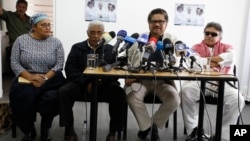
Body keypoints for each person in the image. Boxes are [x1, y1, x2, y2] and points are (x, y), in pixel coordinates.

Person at [58, 21, 126, 141]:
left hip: (104, 85)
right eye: (92, 32)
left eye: (99, 33)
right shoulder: (77, 47)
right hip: (81, 84)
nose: (96, 36)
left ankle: (113, 131)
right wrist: (86, 82)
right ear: (87, 33)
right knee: (64, 91)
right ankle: (69, 129)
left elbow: (115, 72)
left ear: (104, 34)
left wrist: (100, 81)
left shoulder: (111, 49)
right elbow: (70, 69)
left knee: (118, 93)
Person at [181, 22, 245, 141]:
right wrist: (219, 60)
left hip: (223, 82)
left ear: (220, 37)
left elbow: (230, 59)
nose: (209, 36)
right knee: (185, 92)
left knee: (238, 99)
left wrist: (204, 61)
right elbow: (195, 64)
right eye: (207, 33)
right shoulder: (195, 47)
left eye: (213, 34)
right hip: (200, 82)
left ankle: (222, 135)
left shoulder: (228, 47)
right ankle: (194, 130)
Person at [125, 8, 180, 141]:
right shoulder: (140, 39)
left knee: (174, 99)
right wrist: (128, 75)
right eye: (154, 21)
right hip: (140, 81)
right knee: (131, 96)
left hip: (162, 82)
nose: (157, 24)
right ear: (149, 23)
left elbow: (179, 61)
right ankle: (147, 127)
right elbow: (127, 60)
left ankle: (152, 125)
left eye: (161, 21)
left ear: (166, 24)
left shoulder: (172, 40)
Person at [9, 12, 65, 141]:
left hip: (50, 79)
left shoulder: (56, 42)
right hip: (26, 77)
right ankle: (28, 129)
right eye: (43, 25)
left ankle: (45, 129)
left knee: (51, 98)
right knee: (22, 95)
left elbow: (59, 64)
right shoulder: (21, 40)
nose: (47, 28)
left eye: (49, 25)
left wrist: (44, 78)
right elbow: (14, 62)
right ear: (33, 27)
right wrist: (31, 77)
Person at [0, 0, 31, 72]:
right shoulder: (10, 15)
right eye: (19, 6)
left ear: (26, 9)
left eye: (24, 7)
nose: (21, 9)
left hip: (29, 45)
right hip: (15, 45)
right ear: (16, 7)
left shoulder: (30, 19)